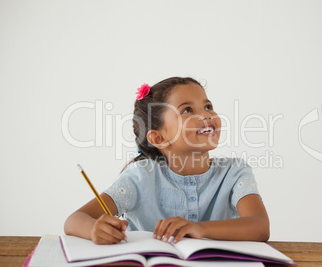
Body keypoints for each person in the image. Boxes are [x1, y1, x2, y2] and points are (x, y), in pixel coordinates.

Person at [64, 77, 270, 245]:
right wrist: (94, 229)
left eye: (208, 106)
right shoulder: (140, 176)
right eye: (187, 110)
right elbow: (73, 221)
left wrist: (199, 229)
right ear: (159, 138)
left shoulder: (234, 172)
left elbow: (260, 227)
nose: (206, 115)